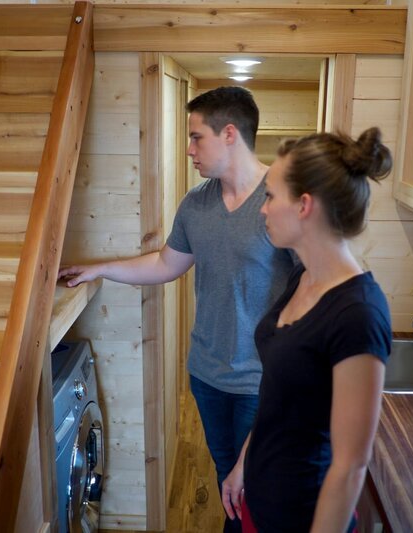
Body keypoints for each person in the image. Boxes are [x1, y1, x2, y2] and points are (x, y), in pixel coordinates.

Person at [58, 86, 295, 533]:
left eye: (196, 137)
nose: (188, 150)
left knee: (254, 490)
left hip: (260, 383)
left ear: (229, 134)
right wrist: (100, 268)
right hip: (206, 376)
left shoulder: (278, 201)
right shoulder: (196, 204)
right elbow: (167, 264)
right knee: (229, 480)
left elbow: (313, 284)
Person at [220, 128, 393, 533]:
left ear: (304, 206)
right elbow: (278, 393)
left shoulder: (358, 313)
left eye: (270, 196)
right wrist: (243, 464)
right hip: (261, 501)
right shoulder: (302, 278)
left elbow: (351, 467)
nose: (263, 209)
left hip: (302, 515)